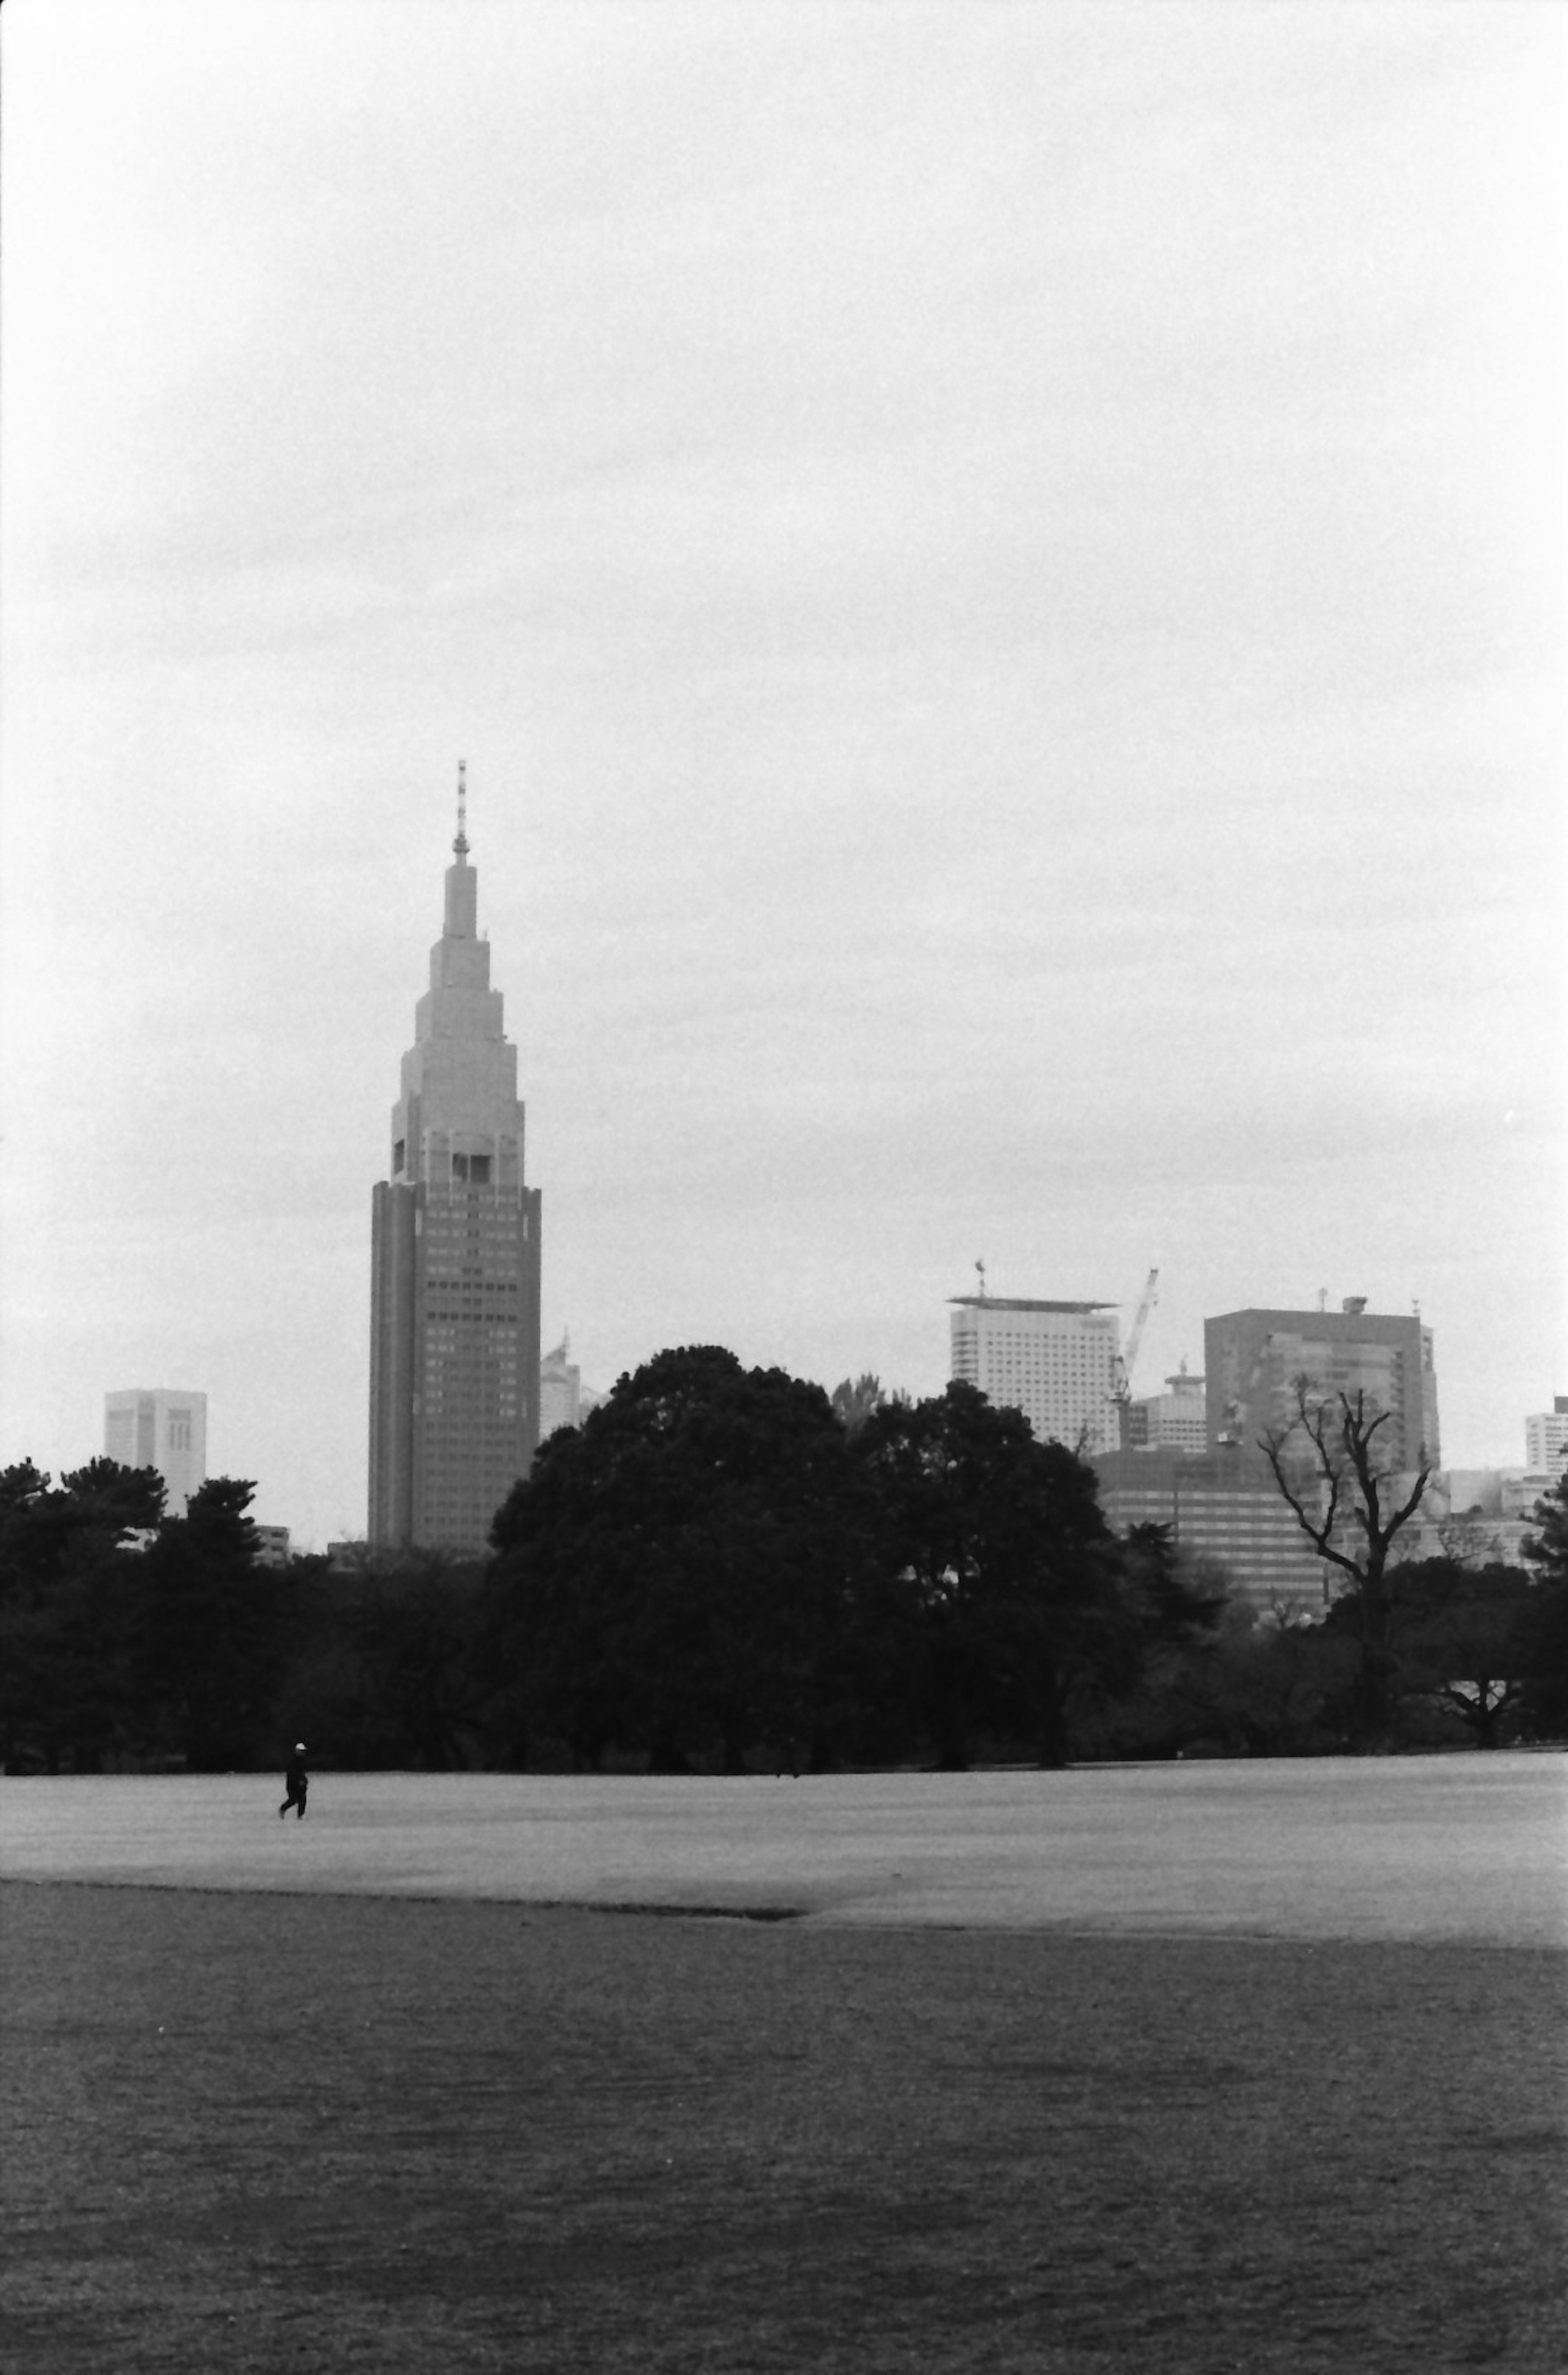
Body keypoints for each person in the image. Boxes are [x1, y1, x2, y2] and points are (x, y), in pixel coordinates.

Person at [279, 1744, 309, 1821]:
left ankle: (301, 1815)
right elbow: (293, 1774)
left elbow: (302, 1773)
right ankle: (283, 1809)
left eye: (303, 1751)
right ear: (297, 1751)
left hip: (301, 1784)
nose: (302, 1753)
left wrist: (304, 1781)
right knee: (293, 1800)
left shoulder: (303, 1761)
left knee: (303, 1800)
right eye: (301, 1751)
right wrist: (298, 1781)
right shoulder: (293, 1762)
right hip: (293, 1785)